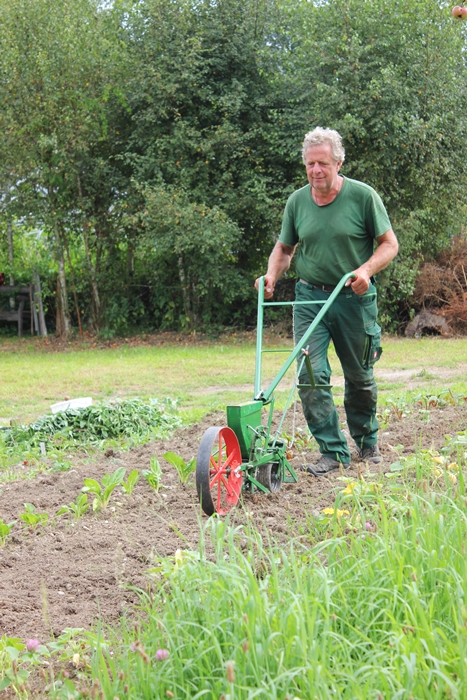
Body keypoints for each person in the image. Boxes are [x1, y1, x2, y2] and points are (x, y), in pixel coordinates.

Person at [255, 127, 399, 476]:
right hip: (309, 298)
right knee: (310, 374)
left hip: (353, 298)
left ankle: (366, 443)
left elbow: (389, 244)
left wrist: (365, 270)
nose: (315, 170)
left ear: (338, 162)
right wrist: (272, 275)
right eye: (309, 164)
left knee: (359, 375)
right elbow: (284, 249)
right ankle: (332, 452)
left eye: (322, 163)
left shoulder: (363, 197)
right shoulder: (297, 202)